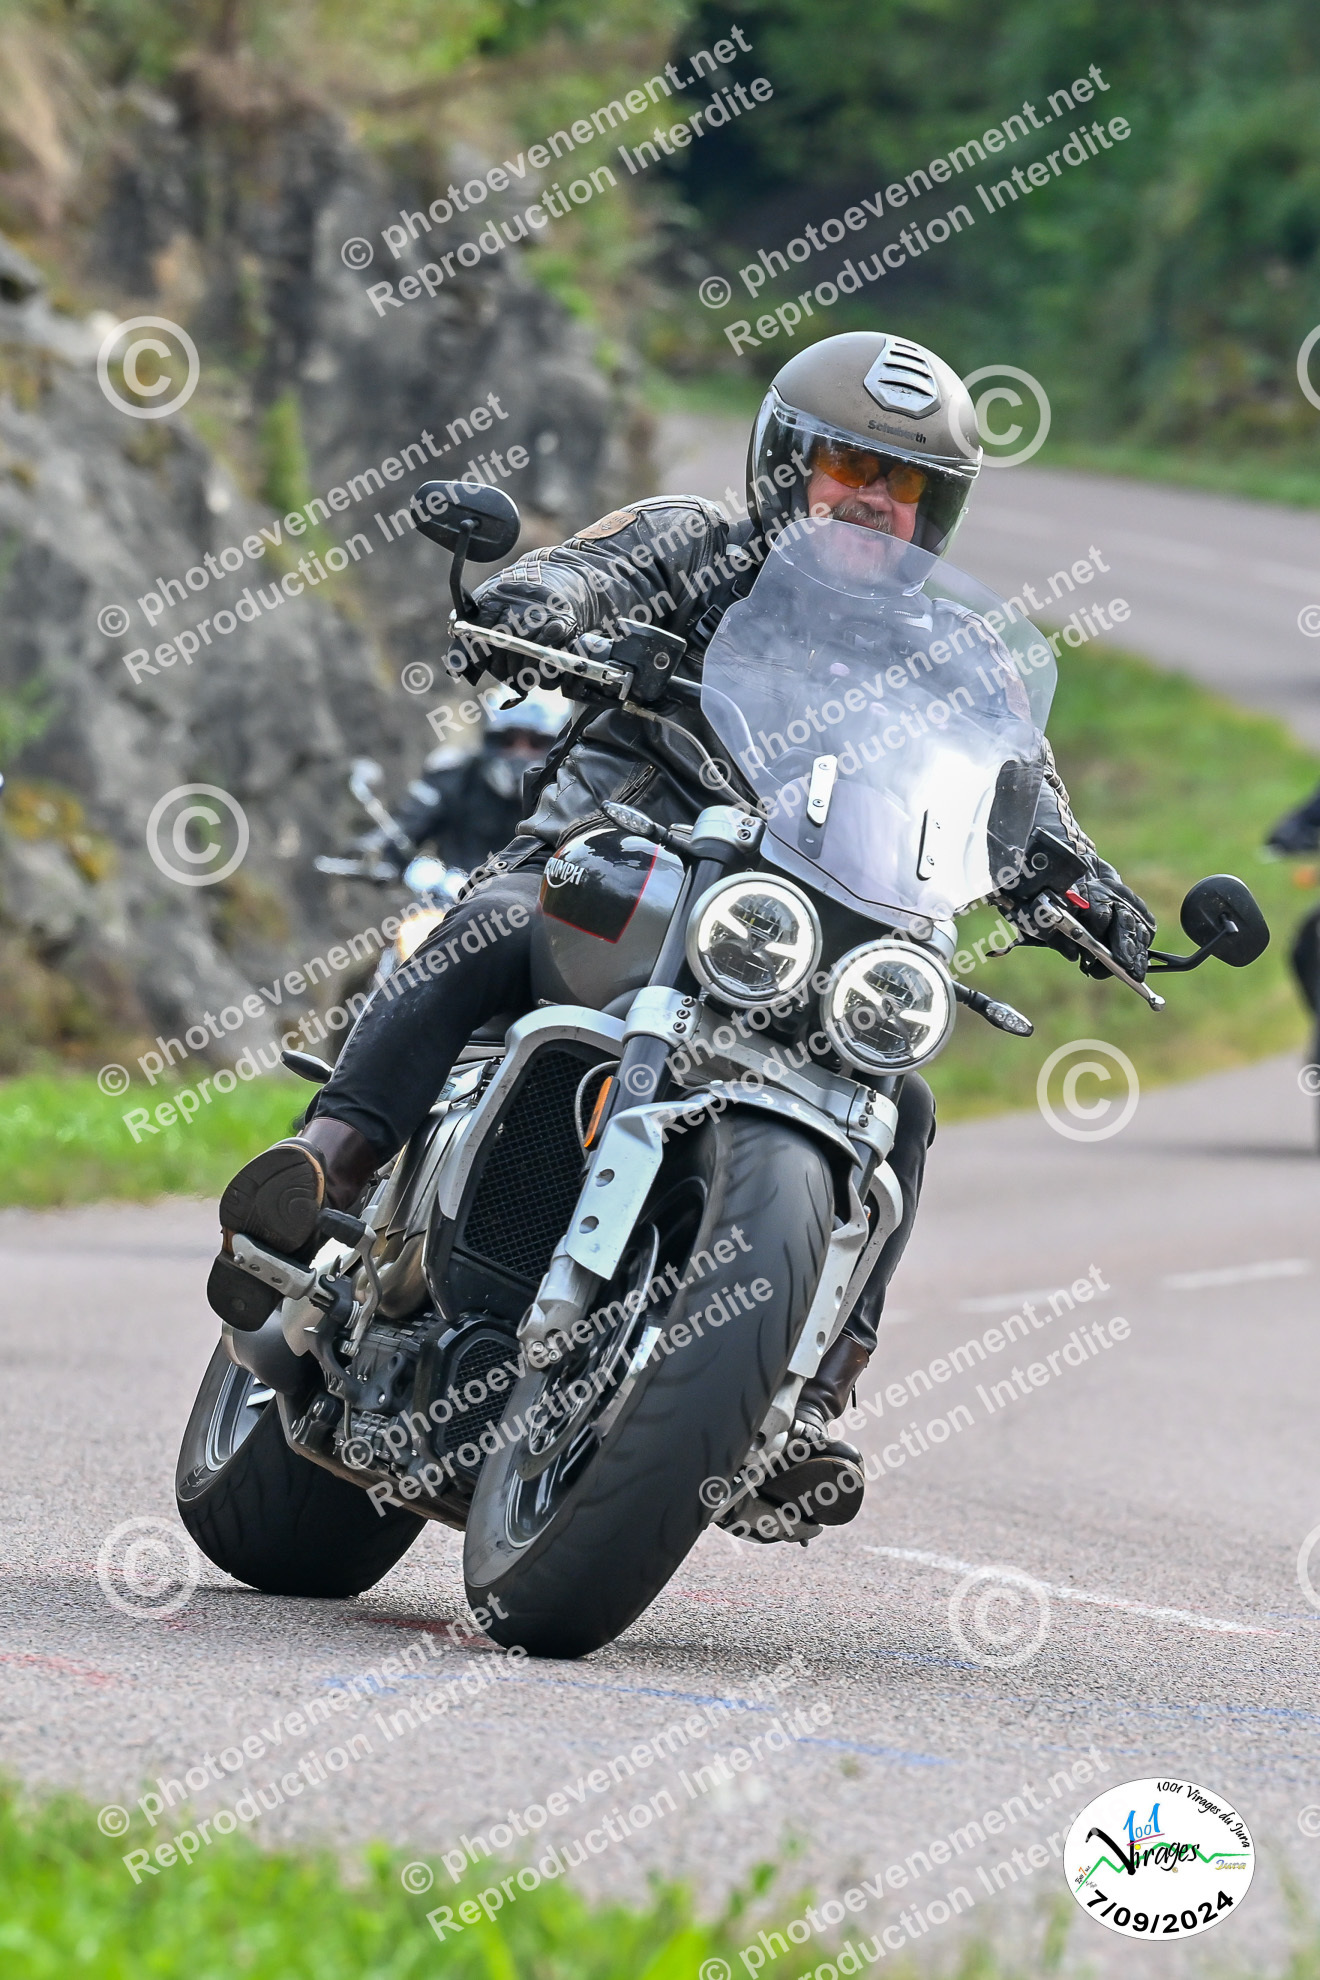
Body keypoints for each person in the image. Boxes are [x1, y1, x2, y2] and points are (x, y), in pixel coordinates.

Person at [207, 330, 1154, 1529]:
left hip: (814, 936)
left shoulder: (961, 660)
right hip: (612, 861)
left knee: (904, 1108)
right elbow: (573, 576)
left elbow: (1025, 795)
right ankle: (327, 1169)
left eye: (909, 484)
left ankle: (807, 1392)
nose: (876, 502)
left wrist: (1090, 891)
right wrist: (533, 610)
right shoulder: (690, 544)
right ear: (786, 466)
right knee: (490, 923)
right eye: (851, 467)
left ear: (939, 511)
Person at [372, 692, 569, 876]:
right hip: (454, 894)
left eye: (536, 743)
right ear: (490, 741)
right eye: (507, 741)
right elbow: (406, 828)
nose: (519, 754)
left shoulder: (570, 790)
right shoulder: (455, 775)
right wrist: (378, 856)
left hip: (540, 895)